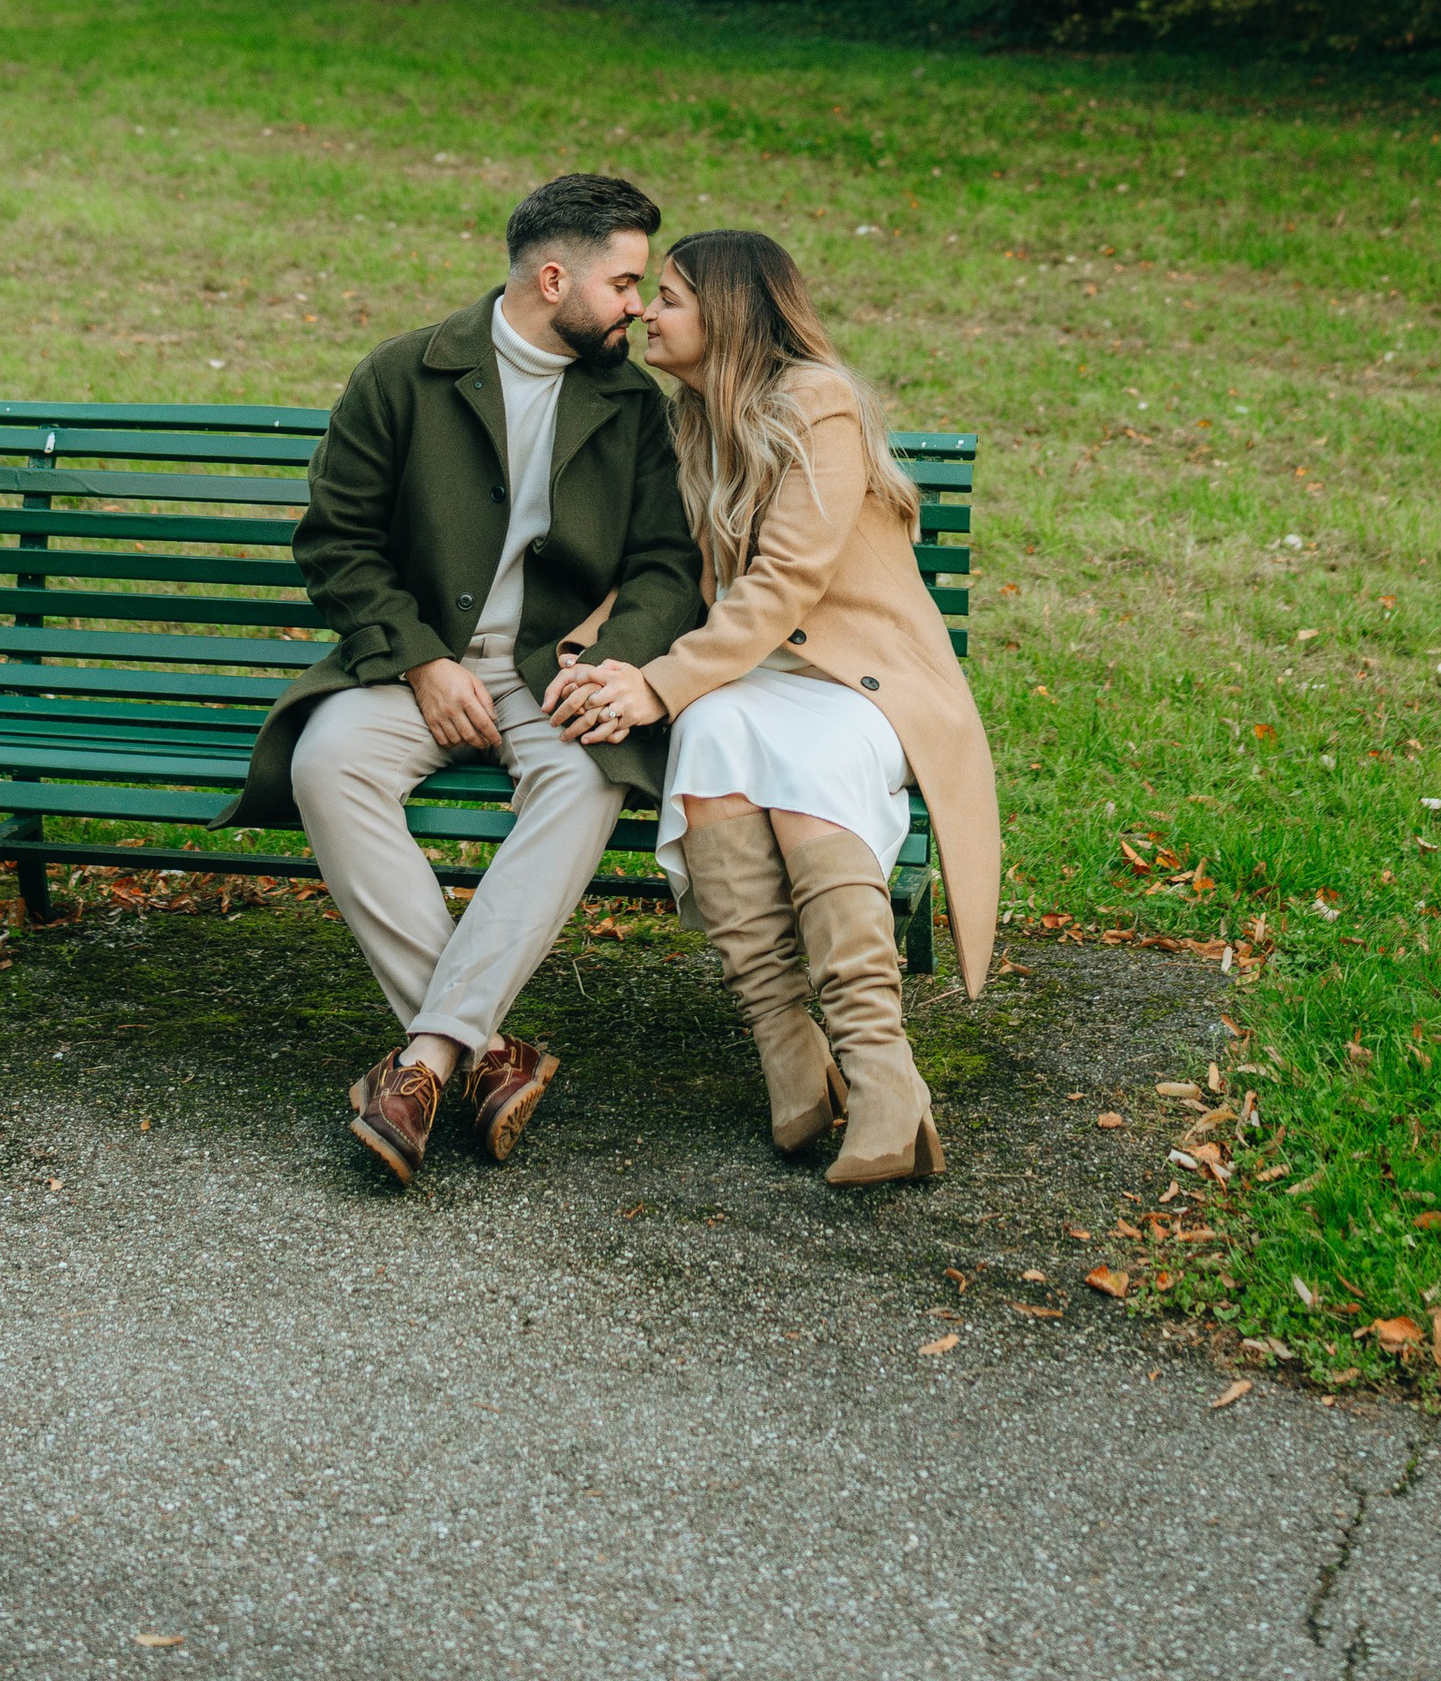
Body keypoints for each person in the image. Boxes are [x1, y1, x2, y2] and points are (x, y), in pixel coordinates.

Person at [223, 171, 704, 1185]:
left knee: (587, 777)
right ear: (554, 279)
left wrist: (606, 664)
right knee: (326, 763)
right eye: (624, 283)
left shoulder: (632, 407)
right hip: (415, 663)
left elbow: (667, 565)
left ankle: (427, 1061)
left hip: (552, 672)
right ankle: (483, 1053)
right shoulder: (404, 375)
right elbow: (337, 543)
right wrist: (420, 660)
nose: (637, 305)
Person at [546, 227, 999, 1187]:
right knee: (710, 733)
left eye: (670, 297)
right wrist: (595, 649)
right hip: (754, 678)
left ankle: (882, 1077)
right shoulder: (692, 420)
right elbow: (669, 566)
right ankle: (786, 1047)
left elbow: (786, 578)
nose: (646, 310)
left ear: (729, 315)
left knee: (797, 768)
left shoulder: (818, 404)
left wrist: (657, 683)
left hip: (863, 683)